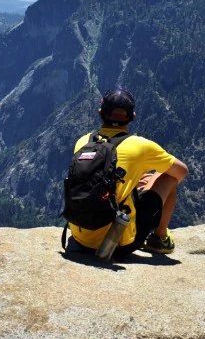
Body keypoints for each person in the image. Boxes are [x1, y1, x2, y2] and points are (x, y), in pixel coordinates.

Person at [66, 87, 188, 258]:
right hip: (116, 243)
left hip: (80, 238)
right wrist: (152, 176)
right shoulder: (141, 146)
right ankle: (159, 239)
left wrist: (133, 179)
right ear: (133, 117)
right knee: (168, 177)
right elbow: (182, 172)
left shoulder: (83, 142)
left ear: (100, 113)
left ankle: (85, 234)